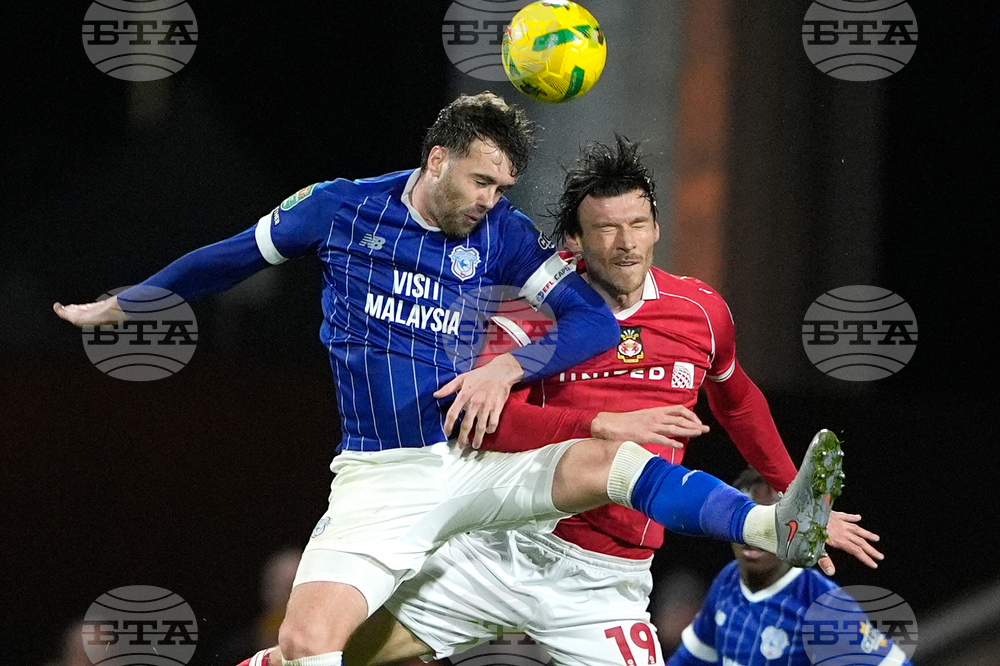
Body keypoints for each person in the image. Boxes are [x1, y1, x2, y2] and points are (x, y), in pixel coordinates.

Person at [56, 94, 843, 666]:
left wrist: (509, 369)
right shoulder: (339, 211)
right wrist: (128, 303)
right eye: (481, 183)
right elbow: (229, 257)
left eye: (504, 188)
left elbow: (594, 323)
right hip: (387, 477)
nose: (494, 202)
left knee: (614, 463)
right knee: (307, 647)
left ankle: (771, 526)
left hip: (484, 479)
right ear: (438, 160)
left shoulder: (502, 235)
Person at [256, 137, 880, 666]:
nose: (627, 243)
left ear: (658, 226)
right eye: (606, 229)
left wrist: (788, 485)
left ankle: (780, 520)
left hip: (608, 580)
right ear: (573, 241)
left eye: (638, 225)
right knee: (315, 653)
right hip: (504, 548)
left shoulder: (701, 312)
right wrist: (602, 423)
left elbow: (738, 400)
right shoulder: (527, 314)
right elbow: (479, 425)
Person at [668, 468, 911, 666]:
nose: (752, 536)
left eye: (770, 523)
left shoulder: (823, 606)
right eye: (746, 522)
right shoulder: (727, 582)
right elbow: (691, 659)